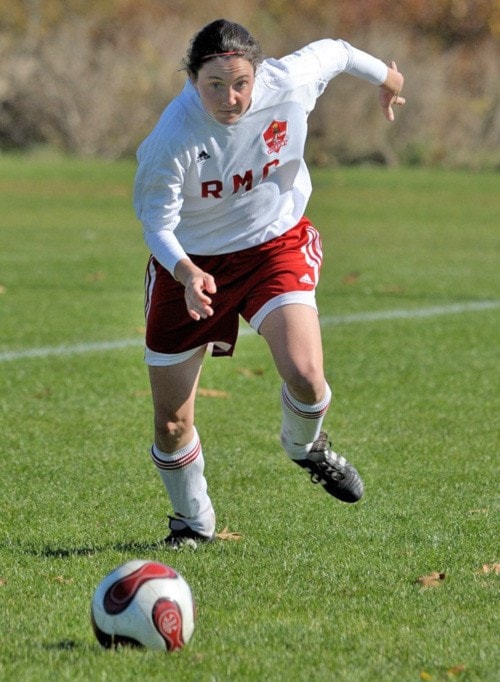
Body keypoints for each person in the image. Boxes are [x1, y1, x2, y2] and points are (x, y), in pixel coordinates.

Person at [134, 18, 405, 549]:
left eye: (241, 83)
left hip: (272, 245)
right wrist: (186, 273)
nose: (231, 97)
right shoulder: (171, 137)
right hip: (192, 265)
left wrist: (385, 77)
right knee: (170, 423)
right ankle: (194, 522)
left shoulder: (288, 82)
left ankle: (304, 445)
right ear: (192, 79)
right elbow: (157, 225)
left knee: (305, 374)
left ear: (257, 74)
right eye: (215, 85)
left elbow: (338, 49)